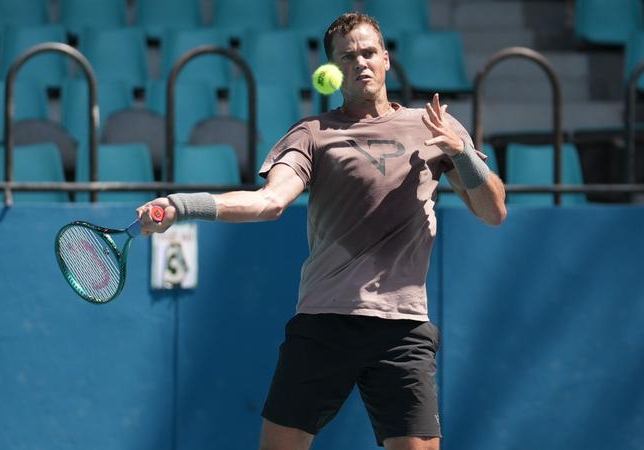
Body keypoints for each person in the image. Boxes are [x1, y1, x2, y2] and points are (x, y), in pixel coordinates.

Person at [137, 12, 506, 450]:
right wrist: (182, 204)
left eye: (369, 53)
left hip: (402, 326)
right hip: (325, 320)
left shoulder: (437, 128)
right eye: (348, 57)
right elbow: (268, 202)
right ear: (333, 70)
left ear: (386, 59)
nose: (360, 63)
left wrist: (461, 153)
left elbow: (493, 211)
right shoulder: (312, 135)